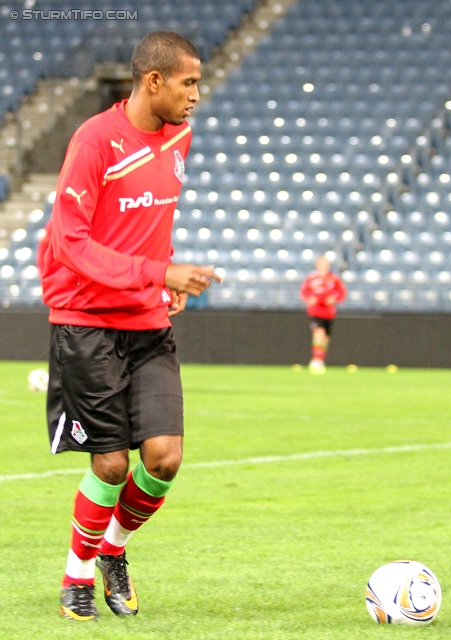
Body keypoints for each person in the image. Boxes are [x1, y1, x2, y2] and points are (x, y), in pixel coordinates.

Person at [40, 31, 221, 621]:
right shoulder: (95, 141)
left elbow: (154, 219)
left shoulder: (180, 137)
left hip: (147, 321)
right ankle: (76, 578)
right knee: (112, 464)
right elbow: (69, 243)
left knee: (164, 457)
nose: (196, 95)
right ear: (153, 81)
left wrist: (163, 281)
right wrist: (158, 270)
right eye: (188, 82)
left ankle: (112, 551)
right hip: (86, 321)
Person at [299, 255, 347, 374]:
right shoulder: (312, 278)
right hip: (316, 311)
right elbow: (304, 291)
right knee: (318, 332)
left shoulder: (334, 279)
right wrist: (309, 298)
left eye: (326, 264)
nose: (324, 266)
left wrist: (334, 298)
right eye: (322, 264)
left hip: (329, 312)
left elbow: (341, 292)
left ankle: (320, 359)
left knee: (325, 338)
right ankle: (316, 360)